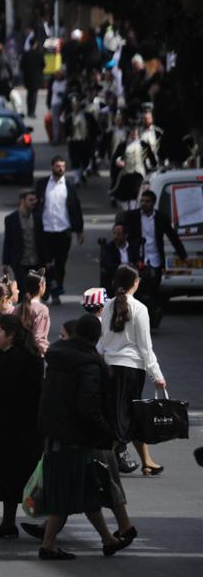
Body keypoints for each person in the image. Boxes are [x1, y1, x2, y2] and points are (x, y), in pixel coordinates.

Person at [36, 314, 134, 560]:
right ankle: (48, 546)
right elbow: (88, 407)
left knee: (87, 490)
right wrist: (106, 431)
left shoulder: (58, 356)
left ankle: (108, 539)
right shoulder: (88, 365)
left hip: (56, 433)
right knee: (65, 494)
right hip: (74, 438)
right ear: (96, 337)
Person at [0, 313, 43, 538]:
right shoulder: (18, 355)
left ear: (11, 335)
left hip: (17, 429)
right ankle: (8, 522)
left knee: (20, 476)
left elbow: (1, 391)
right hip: (17, 427)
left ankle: (48, 522)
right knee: (11, 477)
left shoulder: (17, 359)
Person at [99, 265, 166, 476]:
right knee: (127, 415)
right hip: (131, 370)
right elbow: (146, 348)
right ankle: (107, 461)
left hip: (109, 366)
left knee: (122, 414)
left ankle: (146, 460)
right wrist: (156, 374)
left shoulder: (108, 306)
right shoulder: (139, 309)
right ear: (135, 283)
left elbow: (102, 341)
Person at [120, 190, 187, 326]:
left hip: (155, 259)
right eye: (142, 201)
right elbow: (122, 231)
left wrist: (182, 254)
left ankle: (151, 317)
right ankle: (138, 318)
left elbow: (172, 235)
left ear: (153, 203)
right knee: (137, 289)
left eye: (147, 201)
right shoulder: (132, 217)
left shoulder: (161, 218)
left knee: (154, 290)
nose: (144, 204)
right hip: (138, 259)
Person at [35, 156, 85, 305]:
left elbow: (76, 208)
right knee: (44, 263)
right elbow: (36, 205)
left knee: (60, 264)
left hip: (63, 230)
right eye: (58, 166)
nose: (61, 169)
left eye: (63, 166)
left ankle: (57, 292)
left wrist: (79, 230)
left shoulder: (69, 185)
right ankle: (44, 291)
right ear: (52, 167)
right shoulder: (42, 184)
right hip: (46, 230)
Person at [2, 189, 44, 296]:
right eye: (30, 200)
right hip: (19, 261)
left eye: (35, 200)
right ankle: (23, 311)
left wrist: (47, 260)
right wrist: (5, 263)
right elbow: (8, 240)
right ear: (22, 200)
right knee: (22, 290)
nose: (34, 202)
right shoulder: (11, 219)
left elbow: (43, 240)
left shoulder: (38, 218)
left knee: (34, 291)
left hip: (35, 261)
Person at [17, 268, 51, 357]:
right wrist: (50, 353)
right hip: (34, 355)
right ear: (41, 286)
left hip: (17, 353)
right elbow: (38, 338)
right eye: (45, 285)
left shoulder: (18, 307)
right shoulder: (41, 309)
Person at [99, 221, 136, 295]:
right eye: (114, 233)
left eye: (119, 234)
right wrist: (126, 268)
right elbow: (108, 266)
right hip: (114, 282)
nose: (116, 236)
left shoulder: (133, 248)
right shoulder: (108, 248)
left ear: (126, 235)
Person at [21, 40, 45, 118]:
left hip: (28, 77)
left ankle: (29, 111)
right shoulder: (39, 54)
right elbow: (43, 65)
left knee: (29, 94)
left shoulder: (26, 54)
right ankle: (32, 112)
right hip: (36, 77)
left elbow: (21, 66)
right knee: (34, 94)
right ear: (35, 44)